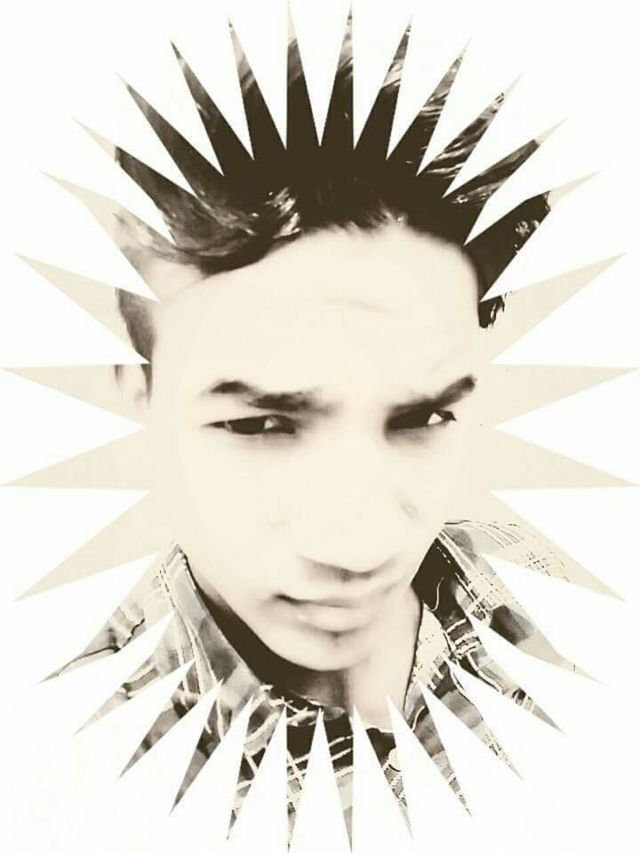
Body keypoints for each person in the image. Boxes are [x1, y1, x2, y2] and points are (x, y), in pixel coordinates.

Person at [55, 22, 561, 836]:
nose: (356, 544)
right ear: (136, 391)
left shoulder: (576, 629)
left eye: (424, 416)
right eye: (262, 424)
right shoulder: (61, 760)